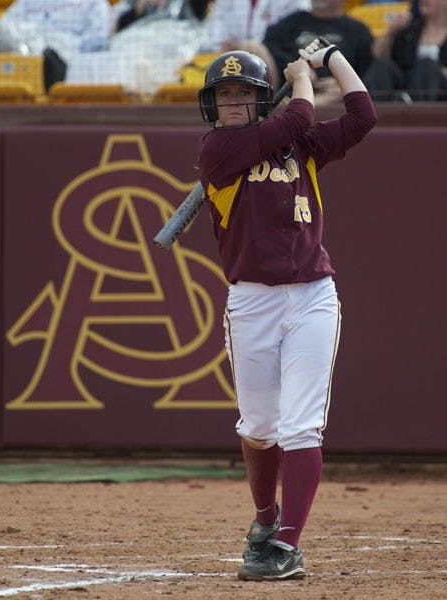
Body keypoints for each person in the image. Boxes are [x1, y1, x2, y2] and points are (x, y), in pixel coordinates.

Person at [197, 41, 377, 581]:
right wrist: (301, 75)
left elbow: (363, 115)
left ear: (258, 100)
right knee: (258, 425)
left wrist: (332, 59)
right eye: (223, 96)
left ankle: (286, 546)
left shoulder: (301, 148)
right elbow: (299, 112)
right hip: (250, 300)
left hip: (311, 295)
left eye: (243, 95)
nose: (232, 104)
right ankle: (265, 517)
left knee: (301, 426)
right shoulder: (216, 151)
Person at [238, 0, 374, 101]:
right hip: (291, 87)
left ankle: (302, 107)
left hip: (337, 92)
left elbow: (368, 68)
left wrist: (341, 80)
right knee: (250, 47)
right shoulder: (291, 23)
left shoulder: (357, 30)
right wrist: (300, 69)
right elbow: (270, 50)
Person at [364, 0, 447, 101]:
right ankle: (375, 111)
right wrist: (390, 32)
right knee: (382, 65)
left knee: (427, 65)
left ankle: (421, 112)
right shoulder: (410, 29)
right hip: (407, 85)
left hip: (441, 90)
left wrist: (438, 71)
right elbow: (377, 54)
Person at [202, 0, 311, 52]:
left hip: (274, 58)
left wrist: (247, 47)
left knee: (251, 47)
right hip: (228, 53)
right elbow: (216, 25)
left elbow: (292, 34)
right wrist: (220, 43)